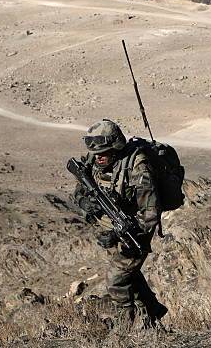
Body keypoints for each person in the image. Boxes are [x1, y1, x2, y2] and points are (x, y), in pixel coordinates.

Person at [72, 119, 167, 329]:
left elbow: (150, 214)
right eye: (96, 154)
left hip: (134, 231)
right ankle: (152, 313)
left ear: (116, 147)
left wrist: (117, 235)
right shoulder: (94, 159)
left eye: (104, 152)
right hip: (109, 228)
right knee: (129, 276)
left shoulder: (138, 167)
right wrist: (85, 202)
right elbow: (79, 188)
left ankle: (125, 329)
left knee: (116, 280)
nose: (99, 157)